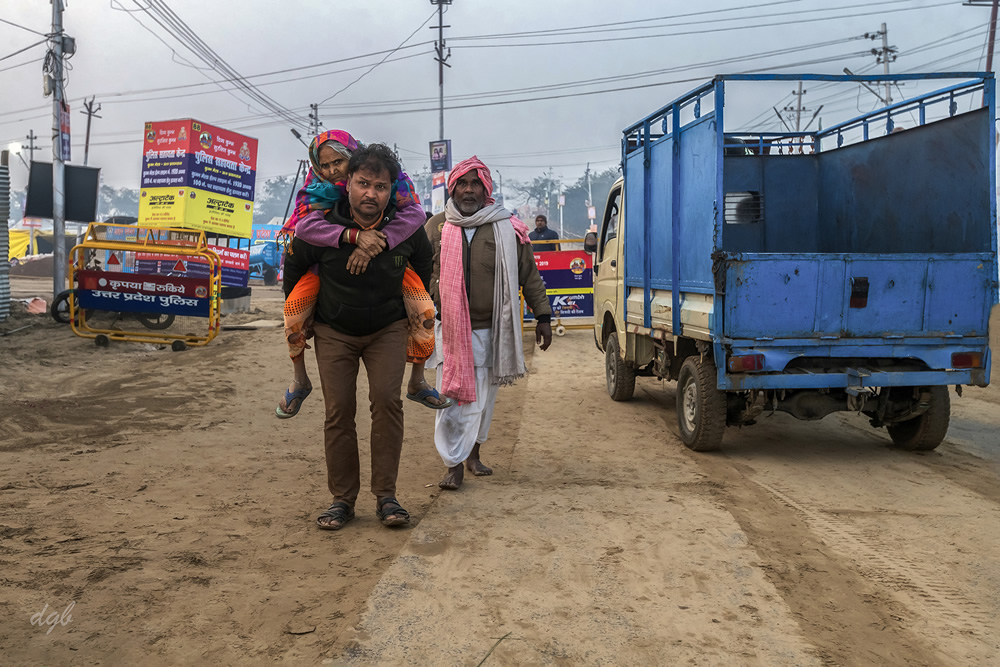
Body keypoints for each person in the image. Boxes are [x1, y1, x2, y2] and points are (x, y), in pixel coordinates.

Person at [282, 143, 434, 530]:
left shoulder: (405, 226)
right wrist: (307, 316)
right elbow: (294, 271)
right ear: (347, 183)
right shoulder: (322, 225)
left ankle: (387, 497)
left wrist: (404, 310)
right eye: (363, 183)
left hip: (387, 328)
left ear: (391, 189)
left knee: (387, 402)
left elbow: (421, 265)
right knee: (339, 412)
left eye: (380, 186)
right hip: (334, 332)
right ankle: (341, 500)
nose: (371, 193)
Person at [276, 130, 449, 419]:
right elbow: (304, 229)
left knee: (424, 309)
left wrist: (377, 242)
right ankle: (299, 378)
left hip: (387, 289)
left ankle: (417, 379)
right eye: (325, 164)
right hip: (324, 277)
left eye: (339, 162)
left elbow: (416, 216)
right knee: (293, 314)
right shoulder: (315, 187)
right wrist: (352, 236)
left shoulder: (391, 181)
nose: (332, 171)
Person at [424, 156, 553, 491]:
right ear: (452, 188)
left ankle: (473, 454)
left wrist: (543, 316)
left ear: (486, 189)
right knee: (450, 398)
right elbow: (418, 276)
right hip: (448, 332)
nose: (469, 190)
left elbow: (529, 275)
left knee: (484, 399)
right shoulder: (436, 227)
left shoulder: (507, 228)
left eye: (475, 184)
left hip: (491, 330)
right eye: (463, 184)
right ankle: (452, 464)